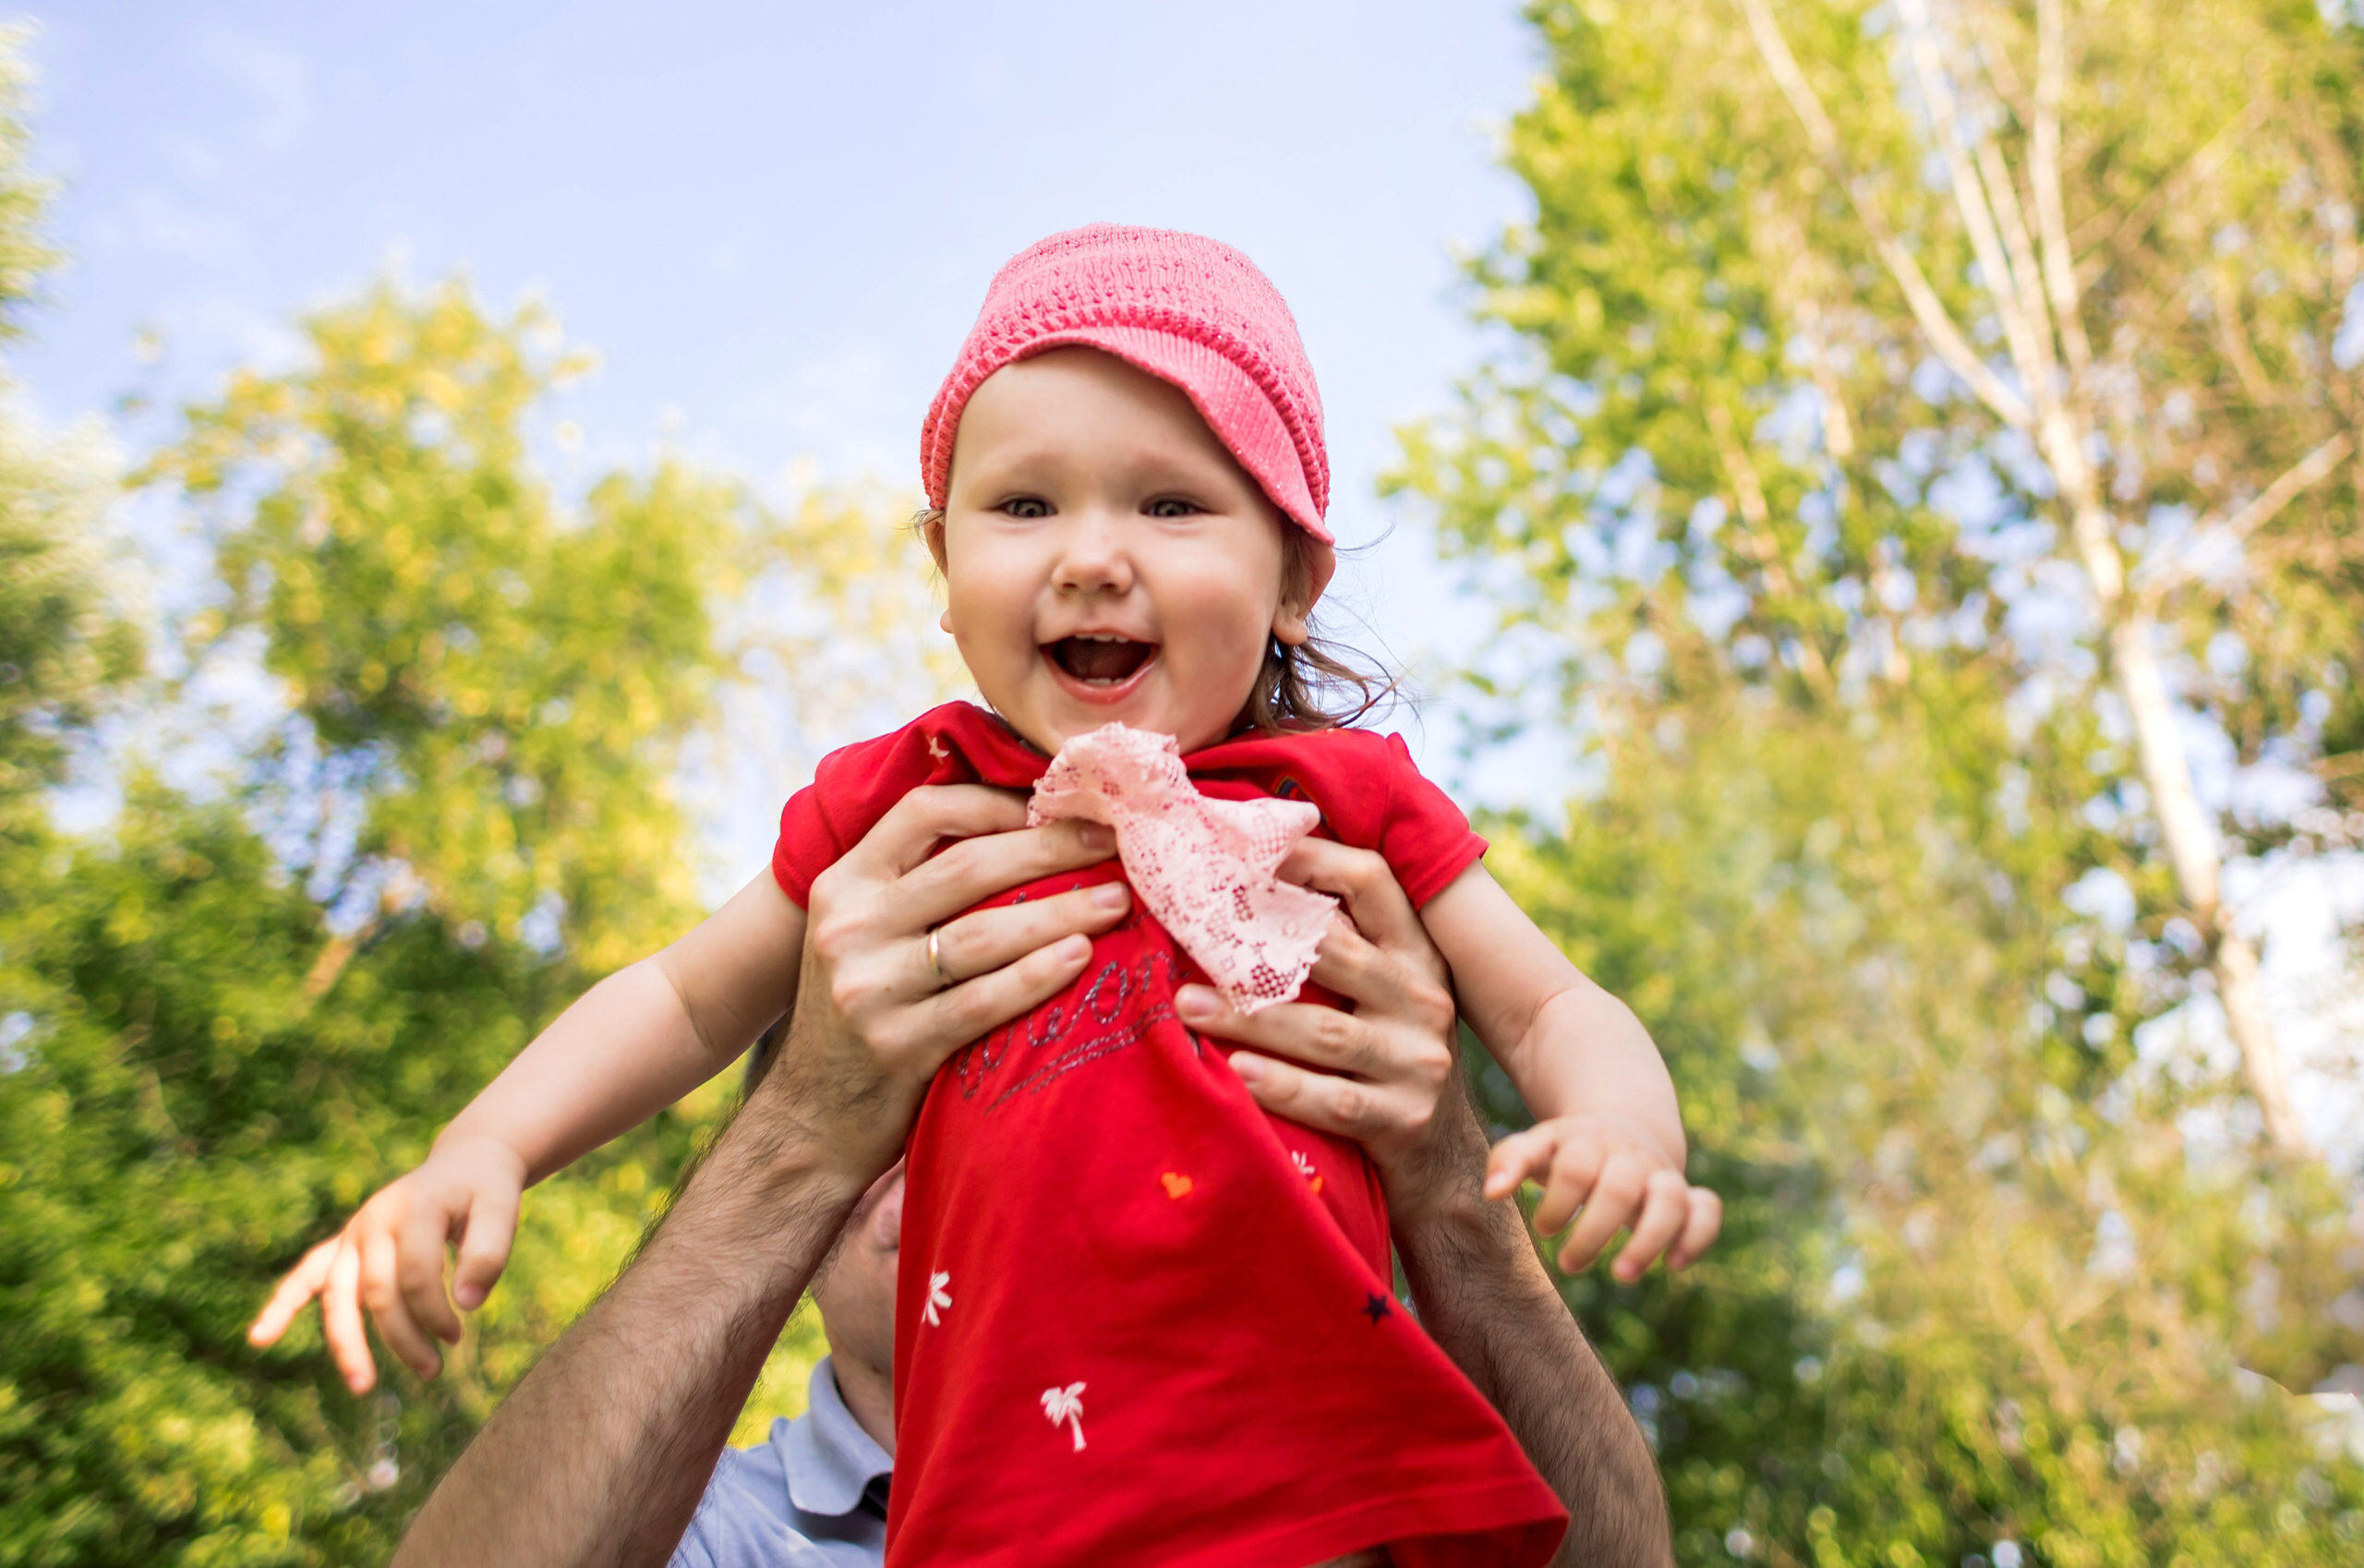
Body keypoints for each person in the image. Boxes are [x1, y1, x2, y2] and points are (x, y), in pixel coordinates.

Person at [257, 225, 1722, 1566]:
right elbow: (686, 994)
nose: (1092, 553)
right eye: (1024, 503)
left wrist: (1618, 1129)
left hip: (1316, 1487)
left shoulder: (1342, 803)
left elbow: (1549, 1001)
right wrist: (486, 1144)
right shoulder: (906, 807)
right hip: (1000, 1505)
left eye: (1170, 502)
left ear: (1293, 574)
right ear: (942, 567)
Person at [388, 824, 1674, 1568]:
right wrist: (490, 1140)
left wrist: (1456, 1179)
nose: (940, 1160)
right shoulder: (717, 1529)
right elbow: (679, 998)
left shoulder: (1314, 1475)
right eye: (894, 1092)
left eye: (996, 1095)